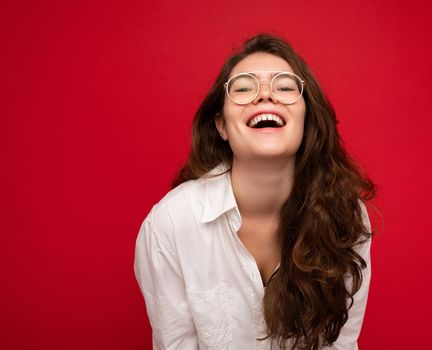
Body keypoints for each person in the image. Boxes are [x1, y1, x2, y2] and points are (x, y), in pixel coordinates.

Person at [134, 33, 376, 350]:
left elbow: (341, 343)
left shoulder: (347, 217)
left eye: (285, 87)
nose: (264, 96)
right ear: (221, 125)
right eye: (244, 88)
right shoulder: (170, 225)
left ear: (307, 120)